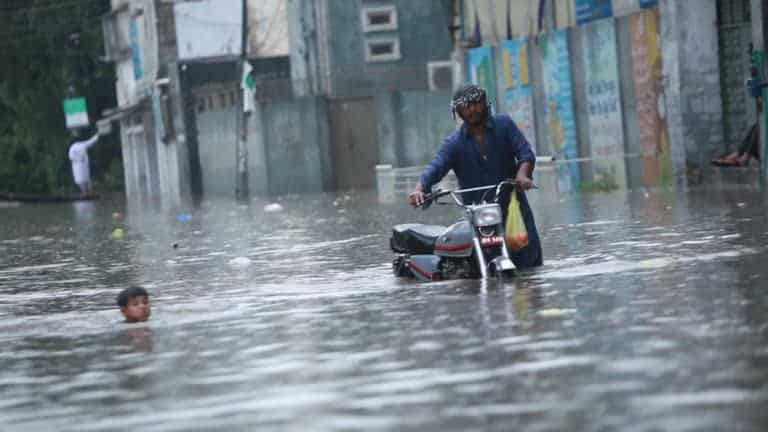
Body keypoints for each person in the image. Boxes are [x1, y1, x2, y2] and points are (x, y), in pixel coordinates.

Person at [408, 84, 542, 268]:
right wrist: (420, 188)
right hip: (479, 220)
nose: (472, 109)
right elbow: (436, 167)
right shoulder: (454, 143)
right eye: (466, 106)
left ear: (485, 103)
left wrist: (523, 175)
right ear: (458, 111)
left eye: (476, 103)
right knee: (478, 273)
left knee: (531, 271)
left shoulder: (504, 125)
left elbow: (525, 153)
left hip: (514, 211)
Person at [68, 131, 100, 197]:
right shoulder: (83, 144)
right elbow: (92, 141)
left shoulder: (72, 147)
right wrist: (98, 134)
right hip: (85, 165)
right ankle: (90, 192)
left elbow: (71, 158)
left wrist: (77, 160)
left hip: (77, 166)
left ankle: (84, 192)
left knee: (79, 180)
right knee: (87, 179)